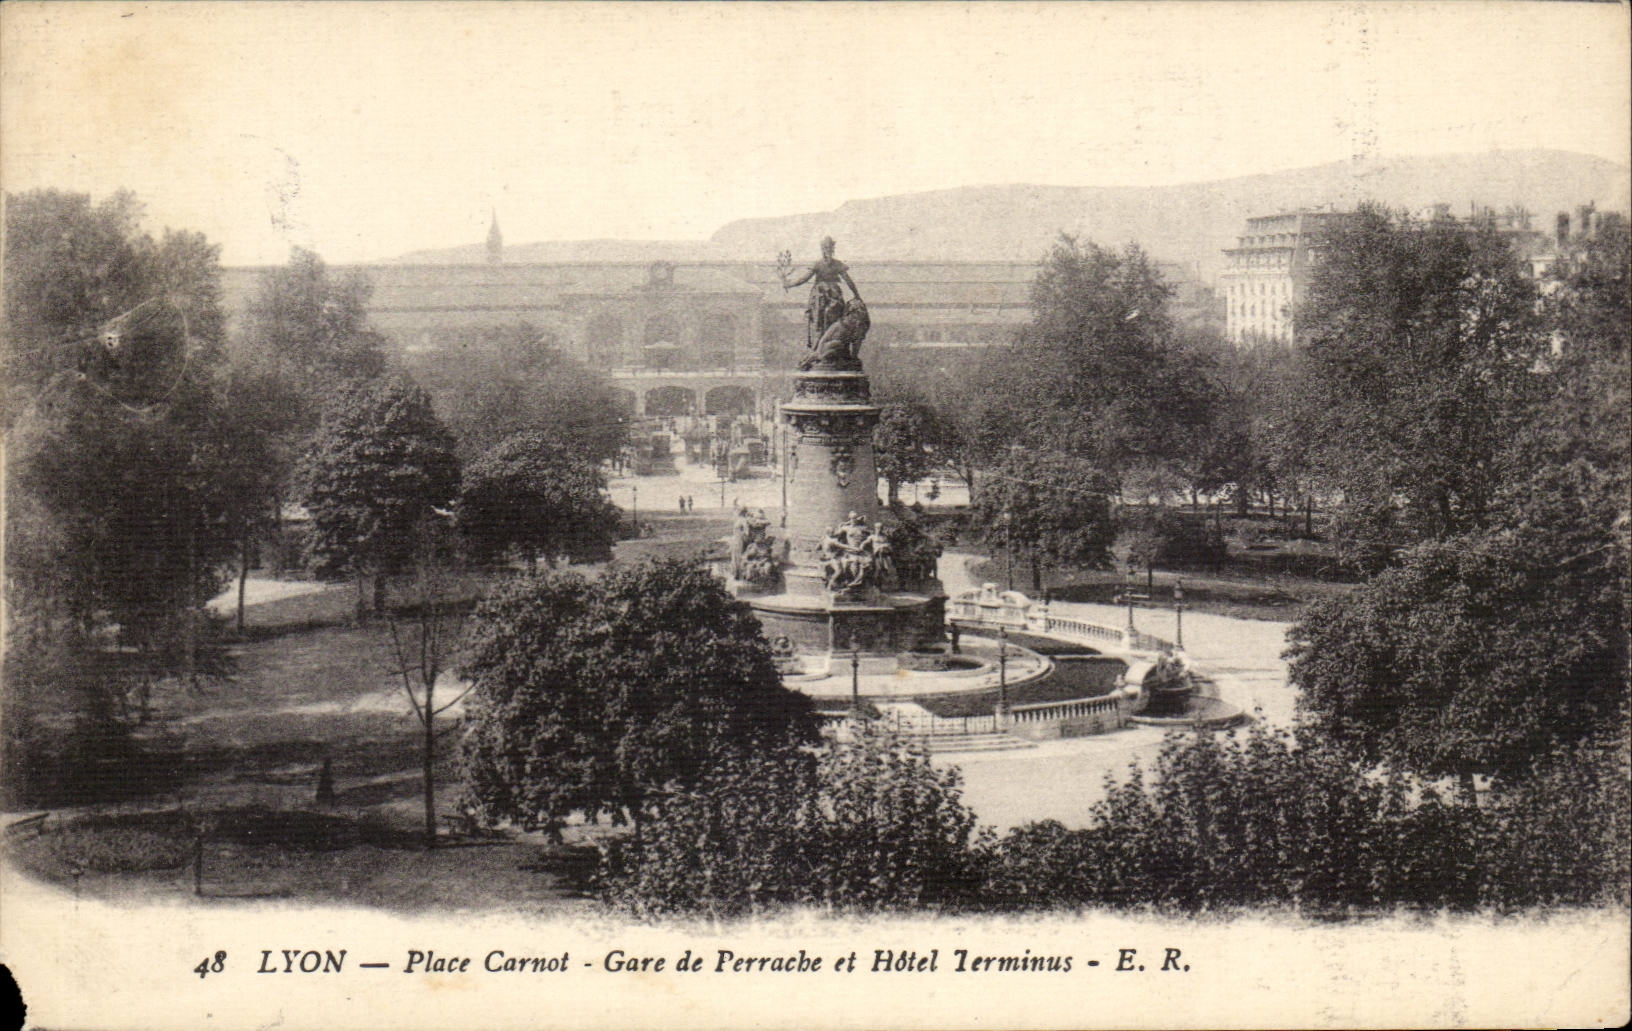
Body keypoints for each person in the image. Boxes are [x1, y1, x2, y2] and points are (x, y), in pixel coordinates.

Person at [780, 237, 862, 352]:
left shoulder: (838, 264)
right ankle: (818, 344)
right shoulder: (817, 264)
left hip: (834, 294)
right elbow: (805, 278)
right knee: (818, 318)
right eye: (825, 248)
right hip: (820, 295)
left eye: (829, 247)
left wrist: (857, 295)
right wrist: (791, 284)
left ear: (833, 249)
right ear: (822, 249)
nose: (827, 250)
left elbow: (848, 280)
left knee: (838, 315)